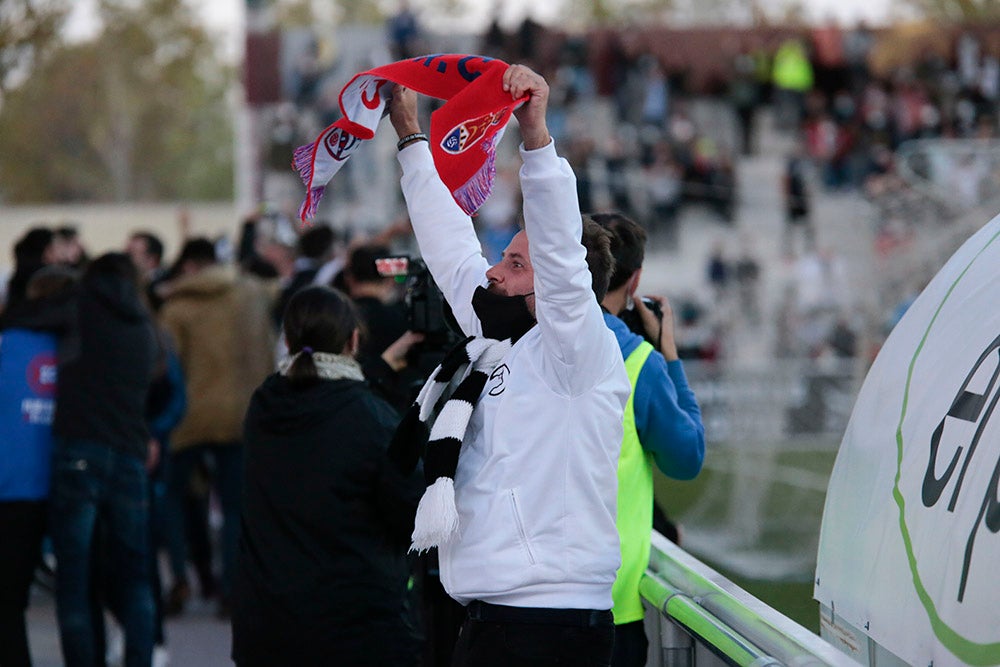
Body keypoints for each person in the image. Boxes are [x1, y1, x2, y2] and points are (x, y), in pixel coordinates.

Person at [389, 64, 630, 666]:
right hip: (493, 619)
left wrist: (536, 137)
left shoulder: (576, 351)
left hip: (551, 624)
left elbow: (557, 250)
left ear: (552, 285)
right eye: (504, 256)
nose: (496, 268)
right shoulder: (495, 339)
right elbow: (450, 251)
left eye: (517, 264)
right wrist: (411, 141)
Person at [231, 285, 425, 666]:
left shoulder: (264, 405)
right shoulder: (372, 418)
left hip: (266, 625)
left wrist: (379, 372)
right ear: (354, 339)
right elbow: (412, 511)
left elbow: (323, 407)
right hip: (353, 628)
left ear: (286, 339)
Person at [591, 212, 705, 666]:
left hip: (517, 595)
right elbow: (686, 457)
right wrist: (669, 355)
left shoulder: (521, 335)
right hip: (607, 597)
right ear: (634, 280)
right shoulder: (637, 359)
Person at [47, 253, 158, 667]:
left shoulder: (77, 308)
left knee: (75, 580)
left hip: (79, 450)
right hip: (129, 454)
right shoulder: (145, 325)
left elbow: (22, 317)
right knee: (135, 578)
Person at [158, 238, 276, 618]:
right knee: (234, 507)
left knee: (172, 498)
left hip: (187, 419)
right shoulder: (251, 295)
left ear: (190, 266)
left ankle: (180, 576)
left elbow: (164, 369)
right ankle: (229, 589)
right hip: (243, 414)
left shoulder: (175, 307)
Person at [0, 266, 77, 667]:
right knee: (81, 596)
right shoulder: (82, 344)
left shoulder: (8, 344)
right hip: (71, 481)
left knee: (7, 601)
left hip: (12, 486)